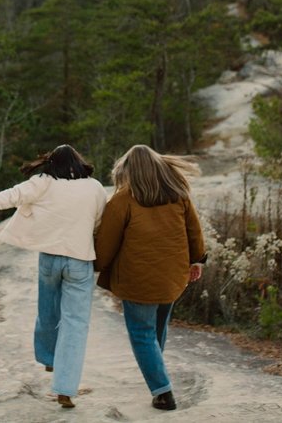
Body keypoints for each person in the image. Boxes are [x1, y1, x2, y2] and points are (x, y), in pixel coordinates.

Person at [0, 144, 108, 409]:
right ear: (79, 163)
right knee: (76, 324)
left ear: (51, 163)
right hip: (80, 259)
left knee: (47, 311)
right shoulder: (95, 187)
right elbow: (98, 220)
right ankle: (65, 388)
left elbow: (12, 196)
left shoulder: (43, 182)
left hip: (50, 257)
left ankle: (49, 357)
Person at [93, 144, 206, 412]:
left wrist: (96, 264)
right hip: (172, 278)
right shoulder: (178, 196)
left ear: (129, 171)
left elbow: (106, 244)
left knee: (143, 334)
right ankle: (157, 373)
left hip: (137, 281)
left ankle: (163, 391)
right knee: (156, 330)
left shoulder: (123, 200)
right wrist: (197, 260)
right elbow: (195, 231)